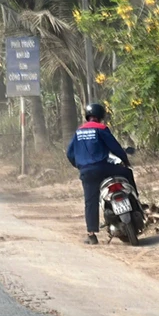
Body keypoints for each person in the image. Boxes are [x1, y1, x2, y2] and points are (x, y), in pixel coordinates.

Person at [66, 103, 139, 245]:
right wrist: (125, 160)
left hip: (87, 172)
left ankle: (92, 235)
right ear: (101, 116)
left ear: (87, 116)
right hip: (104, 168)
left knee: (90, 201)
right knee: (127, 173)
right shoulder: (101, 128)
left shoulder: (78, 132)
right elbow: (115, 148)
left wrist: (80, 166)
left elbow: (70, 154)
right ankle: (136, 200)